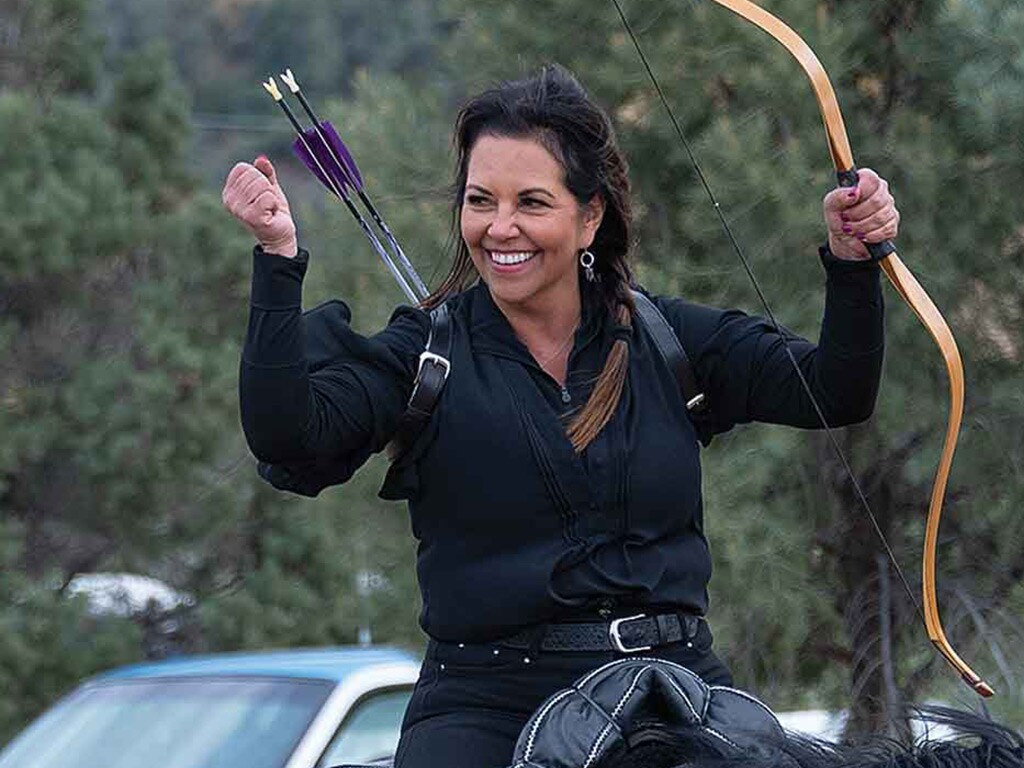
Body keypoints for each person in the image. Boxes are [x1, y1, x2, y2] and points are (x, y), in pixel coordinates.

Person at [222, 65, 899, 768]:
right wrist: (278, 257)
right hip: (486, 707)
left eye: (532, 203)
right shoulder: (424, 354)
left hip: (677, 696)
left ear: (591, 215)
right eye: (481, 200)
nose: (500, 227)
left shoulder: (667, 338)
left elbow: (835, 391)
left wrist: (853, 265)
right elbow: (287, 433)